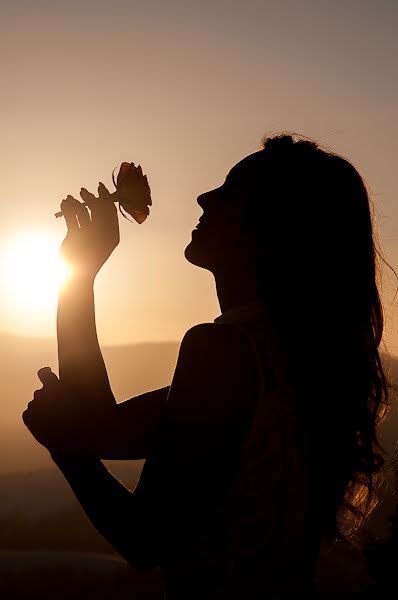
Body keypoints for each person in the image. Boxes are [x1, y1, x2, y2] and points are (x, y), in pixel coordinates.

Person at [23, 133, 390, 599]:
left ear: (268, 234)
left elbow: (143, 538)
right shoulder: (296, 360)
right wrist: (78, 273)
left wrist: (63, 445)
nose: (203, 196)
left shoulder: (221, 352)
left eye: (229, 191)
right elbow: (104, 428)